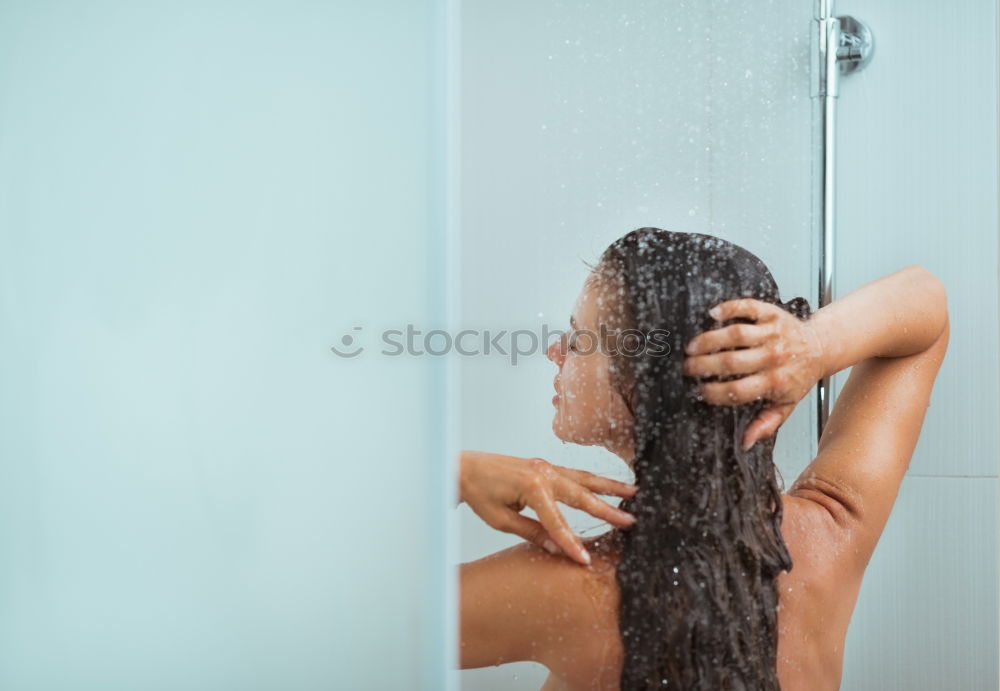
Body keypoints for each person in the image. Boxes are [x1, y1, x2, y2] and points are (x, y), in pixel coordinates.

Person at [457, 228, 949, 690]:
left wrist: (453, 474)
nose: (555, 352)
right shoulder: (832, 532)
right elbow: (926, 304)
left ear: (650, 385)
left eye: (581, 338)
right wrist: (814, 345)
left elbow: (381, 621)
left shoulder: (567, 589)